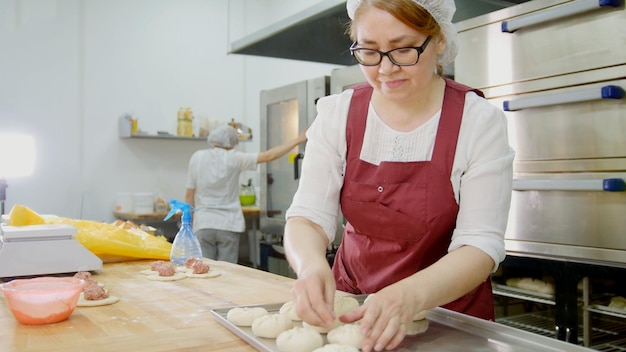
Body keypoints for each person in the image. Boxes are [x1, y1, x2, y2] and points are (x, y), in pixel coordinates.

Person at [283, 0, 515, 351]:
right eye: (369, 52)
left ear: (438, 41)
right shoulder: (337, 114)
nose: (386, 69)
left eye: (403, 49)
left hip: (446, 318)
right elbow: (308, 217)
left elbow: (479, 245)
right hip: (350, 307)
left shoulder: (477, 122)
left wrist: (409, 295)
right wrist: (311, 266)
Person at [185, 124, 306, 263]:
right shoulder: (234, 158)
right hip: (228, 224)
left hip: (203, 223)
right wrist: (298, 140)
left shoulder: (197, 157)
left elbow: (189, 194)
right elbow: (268, 156)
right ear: (232, 142)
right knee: (227, 272)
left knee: (203, 269)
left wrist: (189, 224)